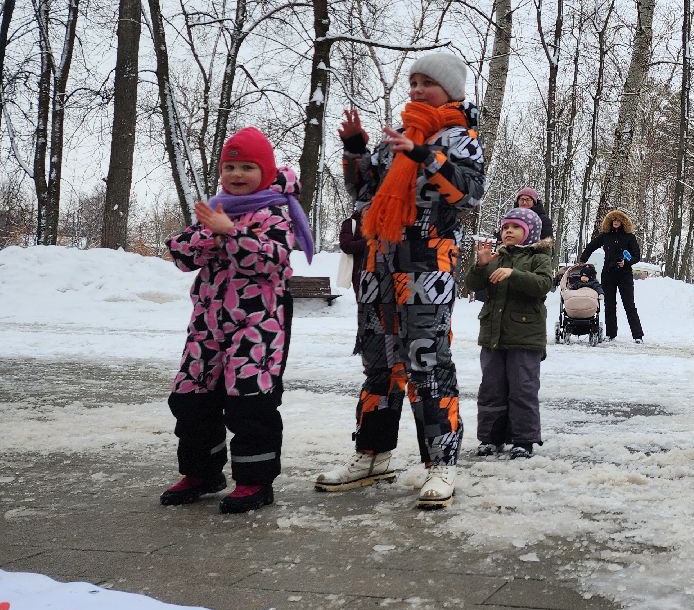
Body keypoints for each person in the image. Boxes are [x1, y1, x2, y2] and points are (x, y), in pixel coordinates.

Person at [316, 50, 485, 511]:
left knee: (426, 363)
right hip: (378, 268)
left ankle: (441, 463)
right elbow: (364, 191)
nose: (415, 90)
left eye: (425, 82)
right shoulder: (396, 137)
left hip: (426, 268)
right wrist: (355, 148)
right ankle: (372, 455)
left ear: (450, 90)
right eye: (412, 82)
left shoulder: (459, 136)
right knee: (378, 364)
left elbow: (468, 194)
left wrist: (425, 155)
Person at [161, 127, 314, 514]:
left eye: (247, 167)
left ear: (263, 173)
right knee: (190, 397)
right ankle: (202, 472)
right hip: (207, 323)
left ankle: (254, 481)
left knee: (250, 402)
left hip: (259, 324)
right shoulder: (217, 209)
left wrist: (230, 234)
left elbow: (270, 258)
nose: (237, 174)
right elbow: (180, 254)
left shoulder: (276, 211)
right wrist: (212, 235)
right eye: (230, 166)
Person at [465, 206, 556, 460]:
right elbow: (472, 285)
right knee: (491, 388)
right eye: (505, 227)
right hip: (493, 336)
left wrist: (514, 274)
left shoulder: (540, 257)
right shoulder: (497, 257)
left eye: (515, 227)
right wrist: (481, 265)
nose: (508, 231)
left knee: (522, 389)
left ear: (529, 232)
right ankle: (490, 438)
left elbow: (543, 285)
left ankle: (523, 440)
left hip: (526, 336)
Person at [581, 209, 644, 342]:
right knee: (609, 305)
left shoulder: (629, 237)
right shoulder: (605, 236)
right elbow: (591, 246)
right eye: (613, 220)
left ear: (622, 222)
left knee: (629, 304)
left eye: (618, 220)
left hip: (624, 275)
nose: (615, 222)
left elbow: (636, 256)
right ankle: (611, 334)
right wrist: (582, 260)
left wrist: (626, 262)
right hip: (608, 274)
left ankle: (637, 335)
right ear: (610, 222)